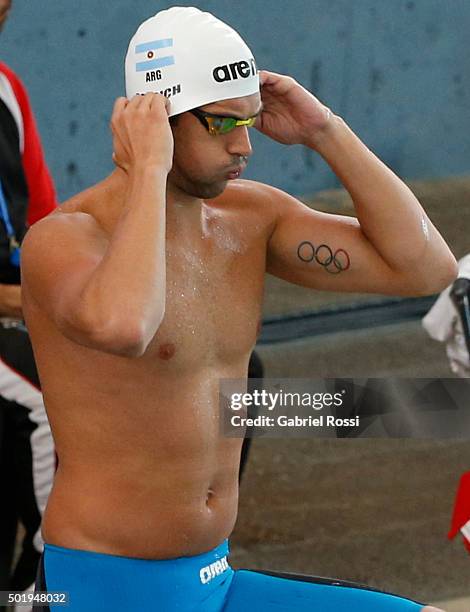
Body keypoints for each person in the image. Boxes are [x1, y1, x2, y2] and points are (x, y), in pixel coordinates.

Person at [21, 7, 454, 611]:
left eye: (249, 121)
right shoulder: (66, 239)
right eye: (224, 122)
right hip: (105, 586)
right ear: (157, 120)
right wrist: (148, 168)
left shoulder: (251, 221)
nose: (243, 144)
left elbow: (425, 269)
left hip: (216, 579)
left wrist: (325, 131)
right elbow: (127, 324)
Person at [0, 0, 57, 604]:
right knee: (49, 389)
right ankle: (55, 578)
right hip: (11, 316)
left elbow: (46, 223)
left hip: (22, 306)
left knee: (233, 371)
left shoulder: (7, 87)